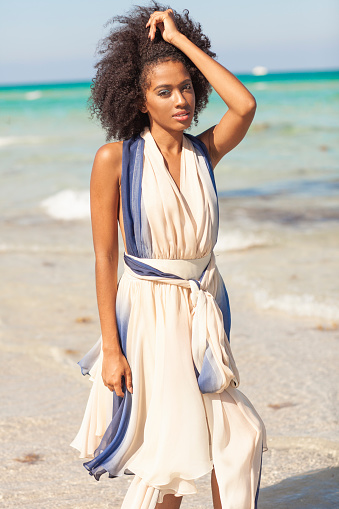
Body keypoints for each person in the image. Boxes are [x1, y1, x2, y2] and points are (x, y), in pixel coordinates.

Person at [71, 3, 267, 508]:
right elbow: (104, 257)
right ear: (139, 100)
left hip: (203, 306)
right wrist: (111, 351)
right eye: (164, 91)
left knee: (237, 436)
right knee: (169, 455)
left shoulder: (206, 152)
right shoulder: (115, 159)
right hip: (149, 313)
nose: (180, 99)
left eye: (186, 87)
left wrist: (180, 42)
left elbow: (244, 106)